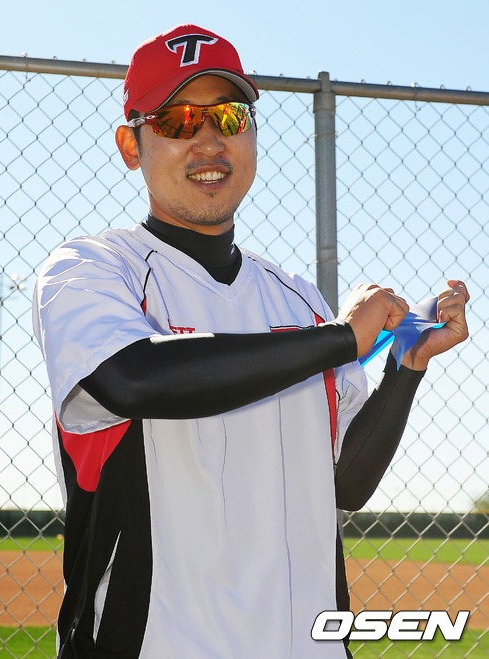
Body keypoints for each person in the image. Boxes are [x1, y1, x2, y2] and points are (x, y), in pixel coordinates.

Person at [32, 23, 469, 659]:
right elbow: (132, 378)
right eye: (178, 120)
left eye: (230, 116)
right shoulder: (93, 269)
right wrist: (338, 338)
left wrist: (405, 367)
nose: (209, 140)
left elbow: (344, 484)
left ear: (253, 134)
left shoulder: (297, 299)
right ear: (131, 145)